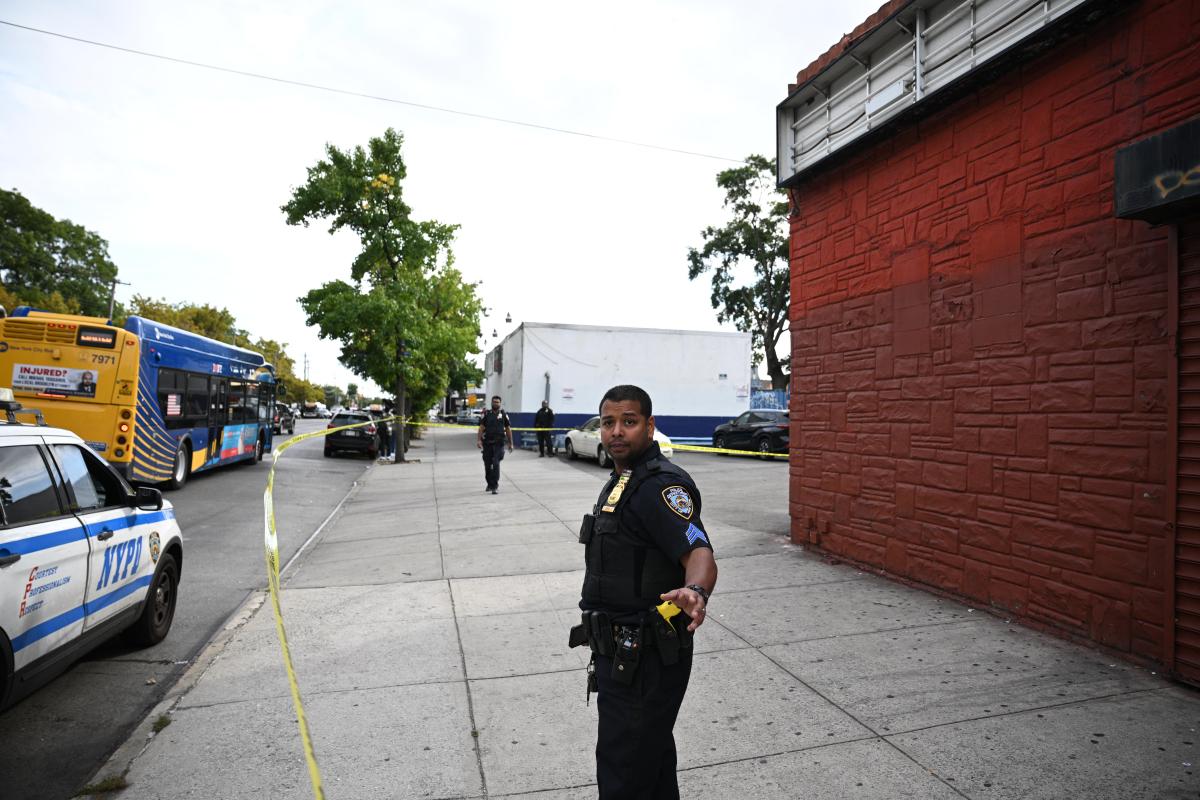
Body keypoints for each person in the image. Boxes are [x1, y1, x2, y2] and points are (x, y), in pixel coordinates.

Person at [569, 384, 717, 799]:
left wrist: (695, 590)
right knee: (649, 770)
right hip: (624, 656)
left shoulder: (660, 486)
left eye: (629, 422)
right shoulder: (623, 479)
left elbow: (698, 549)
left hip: (646, 659)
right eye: (608, 422)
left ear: (650, 426)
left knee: (624, 777)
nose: (617, 431)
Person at [476, 395, 513, 494]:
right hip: (487, 443)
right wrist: (479, 440)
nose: (495, 403)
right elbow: (481, 428)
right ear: (491, 403)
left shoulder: (504, 414)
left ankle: (494, 486)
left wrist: (510, 443)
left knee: (496, 463)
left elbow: (508, 429)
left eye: (497, 402)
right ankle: (489, 483)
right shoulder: (486, 414)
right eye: (494, 402)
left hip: (499, 443)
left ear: (500, 404)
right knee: (487, 465)